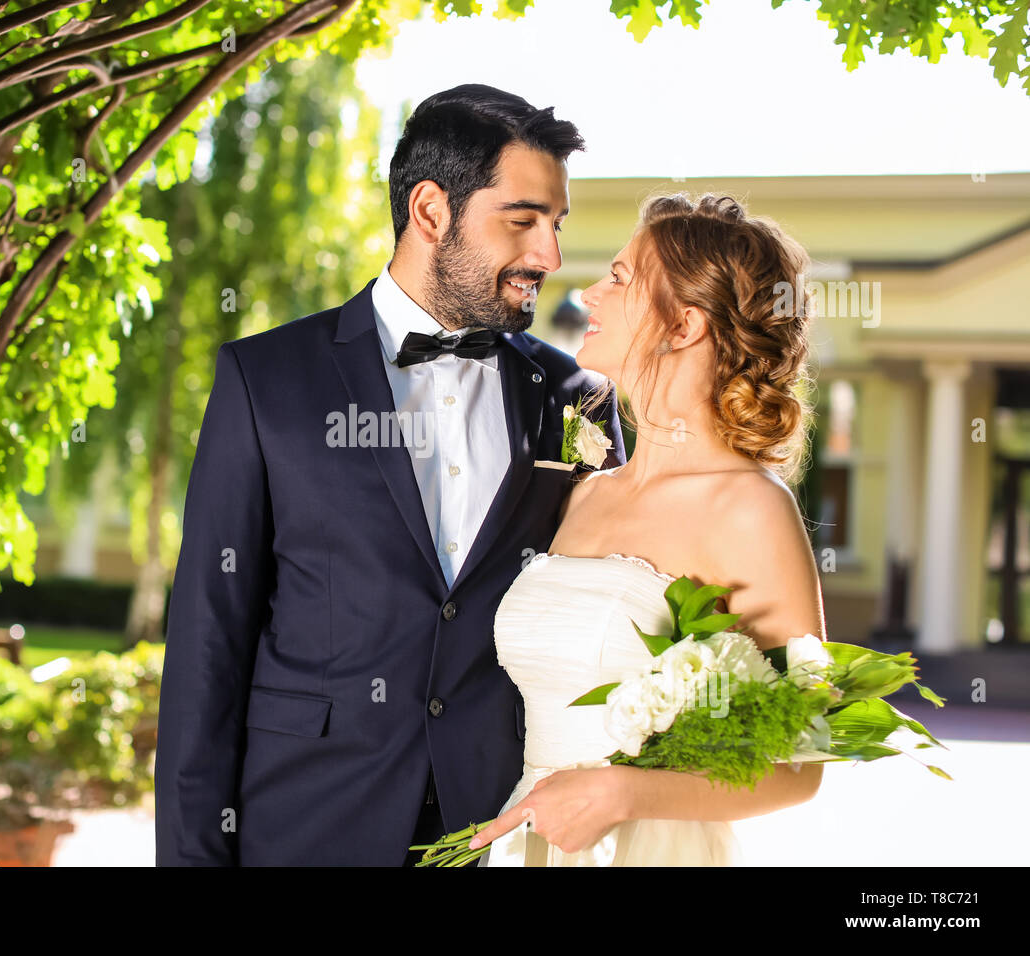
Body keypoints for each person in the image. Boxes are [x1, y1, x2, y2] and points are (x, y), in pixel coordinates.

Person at [154, 84, 624, 865]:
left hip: (507, 833)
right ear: (431, 210)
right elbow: (208, 643)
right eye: (523, 220)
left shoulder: (574, 398)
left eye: (556, 224)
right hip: (305, 825)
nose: (547, 255)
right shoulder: (264, 379)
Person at [471, 193, 828, 866]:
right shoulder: (581, 492)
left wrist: (622, 794)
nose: (589, 294)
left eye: (620, 278)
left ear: (684, 325)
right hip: (529, 845)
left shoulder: (751, 508)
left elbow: (801, 764)